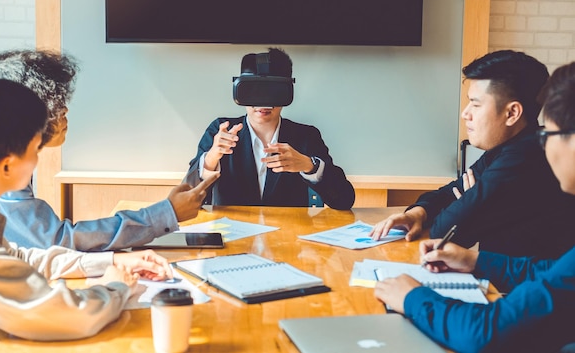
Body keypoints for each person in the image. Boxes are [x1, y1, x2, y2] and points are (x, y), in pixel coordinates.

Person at [0, 75, 173, 353]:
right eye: (35, 150)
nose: (37, 160)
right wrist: (114, 287)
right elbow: (63, 315)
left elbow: (19, 258)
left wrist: (113, 260)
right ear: (6, 166)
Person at [374, 61, 575, 353]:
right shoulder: (502, 151)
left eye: (548, 136)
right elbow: (552, 271)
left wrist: (412, 298)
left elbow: (484, 333)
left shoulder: (523, 154)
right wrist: (474, 261)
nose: (544, 146)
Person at [0, 49, 217, 251]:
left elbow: (31, 254)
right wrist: (165, 213)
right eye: (56, 107)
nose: (65, 113)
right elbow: (55, 240)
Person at [369, 50, 575, 258]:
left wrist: (465, 203)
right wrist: (417, 213)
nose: (465, 113)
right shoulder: (506, 148)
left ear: (512, 113)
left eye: (475, 104)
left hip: (517, 288)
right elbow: (449, 191)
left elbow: (443, 233)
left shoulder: (523, 157)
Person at [184, 47, 355, 209]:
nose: (262, 102)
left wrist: (309, 166)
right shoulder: (221, 131)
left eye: (272, 92)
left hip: (287, 236)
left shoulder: (305, 136)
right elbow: (186, 198)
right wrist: (211, 158)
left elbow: (344, 200)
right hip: (231, 234)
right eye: (254, 91)